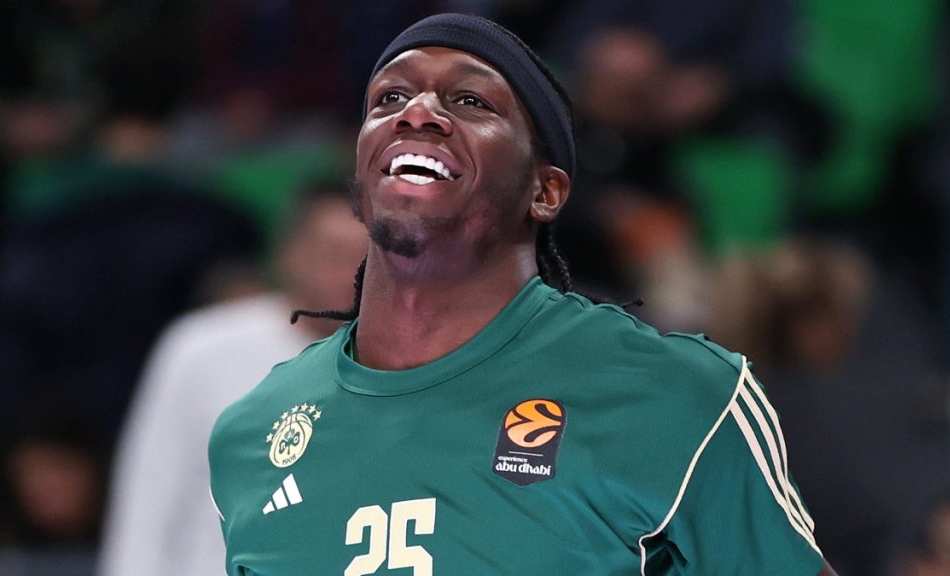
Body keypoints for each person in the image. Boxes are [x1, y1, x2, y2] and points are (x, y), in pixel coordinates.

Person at [208, 13, 837, 575]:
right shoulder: (252, 433)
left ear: (545, 191)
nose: (417, 112)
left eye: (471, 101)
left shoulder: (675, 392)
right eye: (390, 97)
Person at [99, 183, 368, 576]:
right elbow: (148, 498)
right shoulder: (200, 348)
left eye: (364, 257)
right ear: (290, 252)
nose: (349, 273)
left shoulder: (397, 363)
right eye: (333, 254)